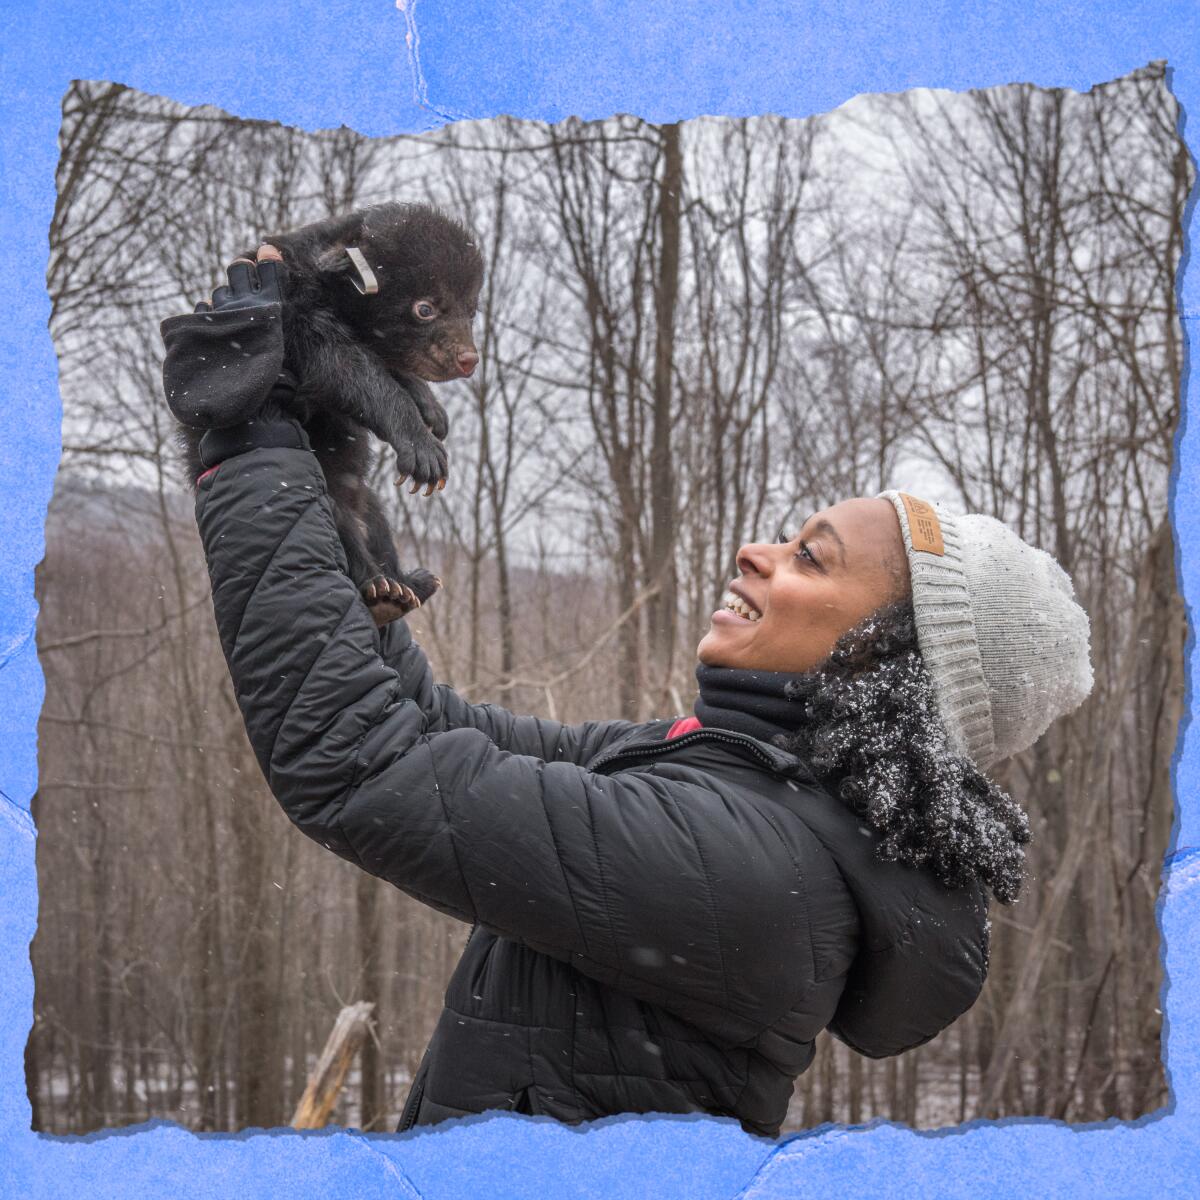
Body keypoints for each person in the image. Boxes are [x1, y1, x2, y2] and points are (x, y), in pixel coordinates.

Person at [162, 249, 1093, 1137]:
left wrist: (246, 448)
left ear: (878, 662)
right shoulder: (727, 788)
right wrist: (330, 503)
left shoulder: (755, 867)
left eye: (810, 556)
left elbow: (366, 769)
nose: (755, 552)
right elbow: (431, 728)